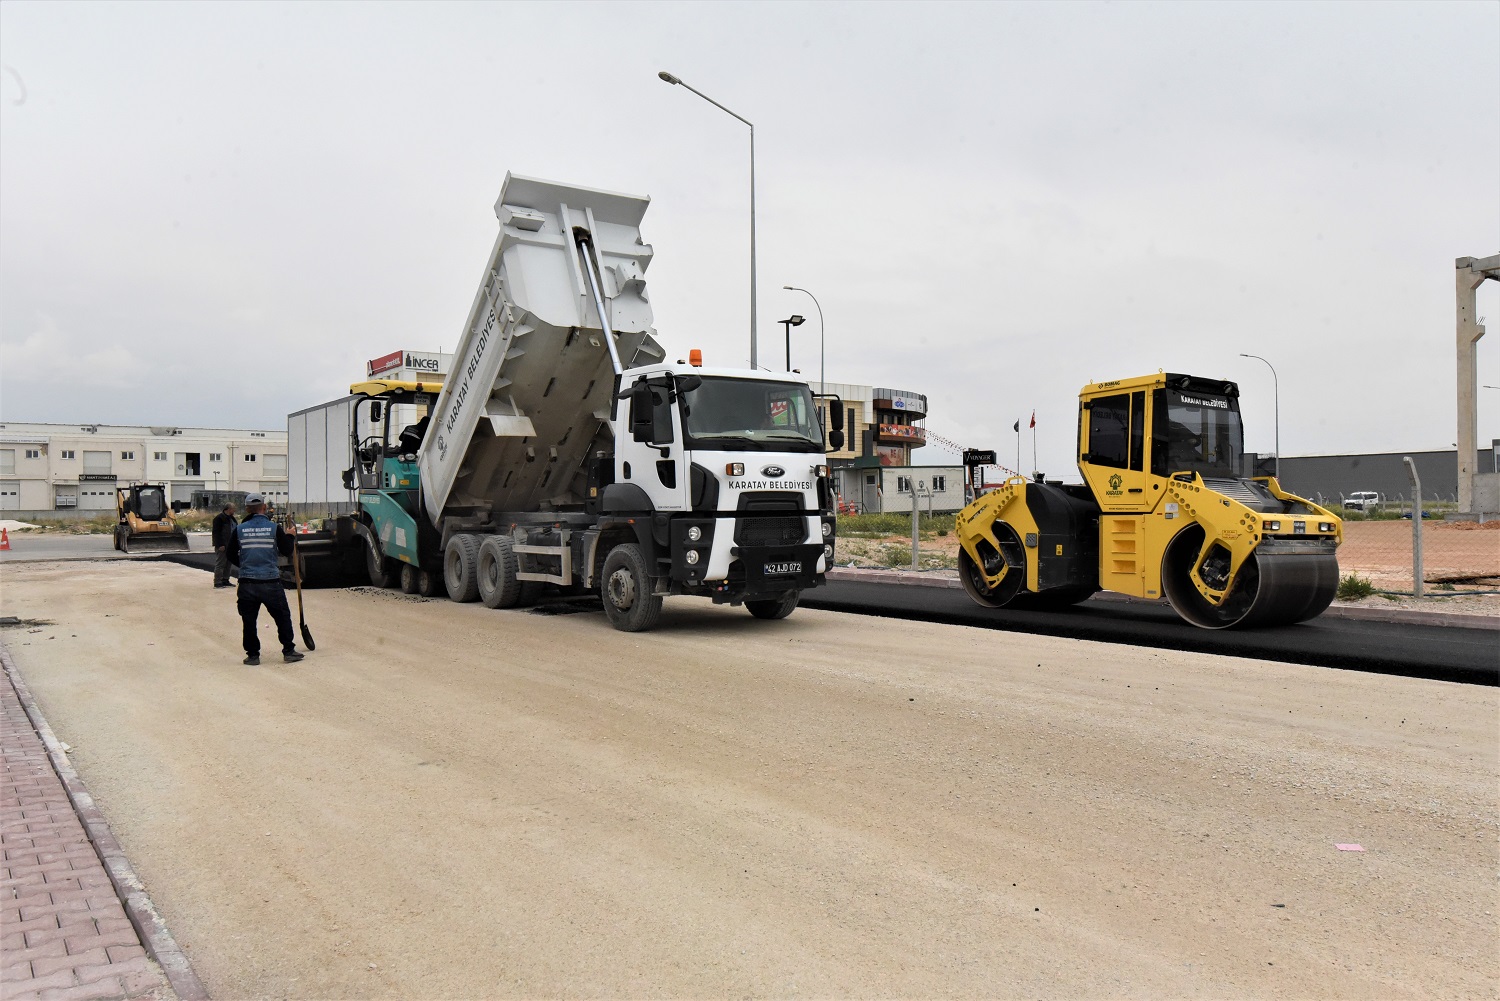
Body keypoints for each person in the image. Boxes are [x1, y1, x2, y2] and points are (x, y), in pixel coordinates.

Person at [225, 493, 304, 666]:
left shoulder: (239, 529)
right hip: (270, 582)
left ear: (247, 509)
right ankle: (288, 650)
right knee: (282, 616)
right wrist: (290, 535)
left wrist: (244, 565)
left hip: (247, 583)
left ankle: (253, 655)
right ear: (264, 507)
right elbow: (286, 550)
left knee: (249, 620)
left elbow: (230, 553)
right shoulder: (273, 528)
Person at [211, 502, 237, 588]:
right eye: (233, 509)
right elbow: (216, 533)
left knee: (228, 564)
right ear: (229, 509)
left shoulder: (232, 519)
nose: (234, 510)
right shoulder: (219, 518)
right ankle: (217, 582)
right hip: (223, 545)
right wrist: (220, 544)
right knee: (221, 564)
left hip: (230, 545)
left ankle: (225, 580)